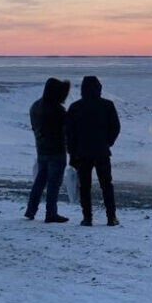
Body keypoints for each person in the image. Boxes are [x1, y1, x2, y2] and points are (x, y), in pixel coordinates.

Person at [66, 76, 121, 226]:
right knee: (107, 185)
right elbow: (115, 127)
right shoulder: (107, 105)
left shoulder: (75, 107)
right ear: (99, 88)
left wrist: (72, 153)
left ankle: (87, 218)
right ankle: (111, 217)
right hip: (102, 151)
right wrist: (108, 142)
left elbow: (69, 134)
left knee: (85, 186)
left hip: (82, 153)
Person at [25, 77, 71, 223]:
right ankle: (51, 213)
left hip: (41, 149)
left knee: (39, 181)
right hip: (57, 151)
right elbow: (66, 132)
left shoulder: (35, 106)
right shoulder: (59, 111)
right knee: (54, 184)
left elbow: (34, 127)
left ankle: (31, 210)